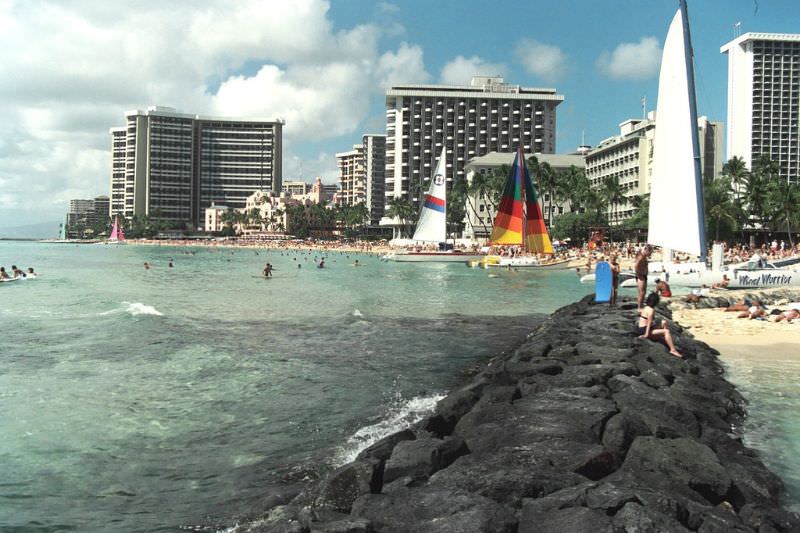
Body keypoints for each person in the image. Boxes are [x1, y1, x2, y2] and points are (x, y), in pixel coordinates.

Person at [636, 292, 682, 358]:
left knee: (663, 322)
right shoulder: (651, 310)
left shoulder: (646, 307)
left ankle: (666, 339)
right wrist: (646, 334)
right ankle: (673, 349)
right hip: (645, 330)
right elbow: (648, 323)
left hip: (642, 328)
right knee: (666, 331)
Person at [634, 245, 651, 310]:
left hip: (643, 275)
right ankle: (639, 307)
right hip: (641, 276)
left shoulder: (643, 256)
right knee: (642, 292)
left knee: (643, 292)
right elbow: (636, 266)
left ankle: (641, 305)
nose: (650, 254)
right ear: (646, 251)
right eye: (650, 252)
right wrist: (639, 275)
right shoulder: (641, 257)